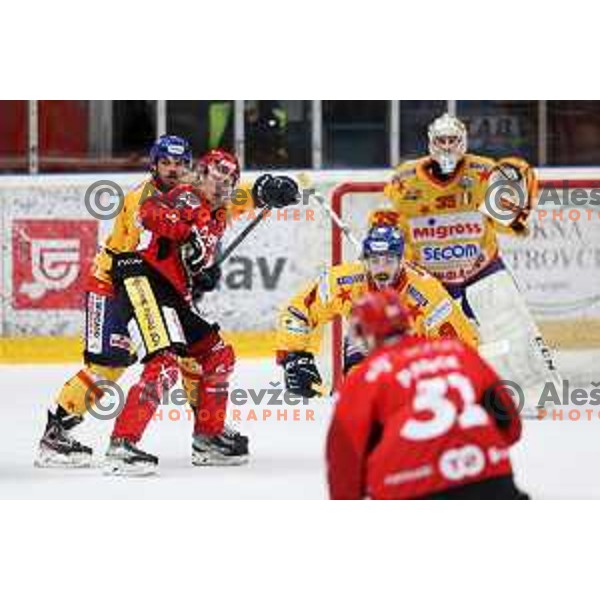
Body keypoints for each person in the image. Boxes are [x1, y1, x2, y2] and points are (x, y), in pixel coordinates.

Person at [104, 172, 299, 475]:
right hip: (144, 280)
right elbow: (150, 212)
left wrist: (266, 188)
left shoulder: (219, 209)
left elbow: (242, 198)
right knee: (165, 363)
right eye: (214, 178)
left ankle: (208, 437)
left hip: (175, 294)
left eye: (229, 181)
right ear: (200, 177)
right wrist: (186, 233)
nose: (221, 186)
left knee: (218, 353)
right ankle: (121, 444)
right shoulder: (187, 196)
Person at [380, 113, 559, 416]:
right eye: (441, 140)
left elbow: (506, 223)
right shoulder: (403, 180)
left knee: (511, 330)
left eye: (452, 140)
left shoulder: (485, 172)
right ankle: (419, 399)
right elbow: (388, 220)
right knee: (421, 340)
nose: (447, 146)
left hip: (482, 269)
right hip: (431, 279)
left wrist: (516, 215)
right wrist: (381, 237)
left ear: (463, 141)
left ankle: (527, 396)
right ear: (430, 143)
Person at [35, 135, 192, 468]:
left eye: (179, 163)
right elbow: (132, 256)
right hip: (111, 284)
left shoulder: (185, 198)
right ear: (154, 164)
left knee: (115, 365)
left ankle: (60, 433)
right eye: (166, 163)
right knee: (105, 366)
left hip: (137, 286)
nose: (173, 169)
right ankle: (55, 434)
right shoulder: (142, 199)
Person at [326, 289, 528, 500]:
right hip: (490, 479)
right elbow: (510, 424)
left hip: (408, 490)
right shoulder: (458, 350)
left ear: (364, 333)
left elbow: (344, 458)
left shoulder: (364, 375)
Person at [276, 224, 479, 399]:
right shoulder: (344, 281)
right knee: (361, 391)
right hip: (365, 342)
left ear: (401, 261)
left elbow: (462, 344)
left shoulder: (428, 293)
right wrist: (295, 357)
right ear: (366, 261)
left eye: (389, 261)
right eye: (375, 261)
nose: (381, 269)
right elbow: (297, 313)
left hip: (414, 352)